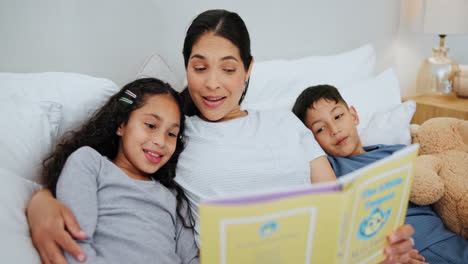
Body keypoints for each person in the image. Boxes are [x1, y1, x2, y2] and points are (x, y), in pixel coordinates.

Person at [26, 9, 415, 264]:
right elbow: (102, 164)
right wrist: (41, 201)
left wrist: (379, 250)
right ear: (186, 68)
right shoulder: (176, 134)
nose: (213, 84)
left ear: (248, 70)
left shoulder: (286, 124)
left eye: (228, 69)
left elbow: (336, 210)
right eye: (200, 67)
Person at [292, 84, 468, 264]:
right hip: (407, 253)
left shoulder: (397, 152)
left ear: (353, 115)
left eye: (338, 116)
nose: (334, 130)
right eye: (320, 129)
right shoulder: (331, 170)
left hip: (451, 242)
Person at [38, 78, 198, 264]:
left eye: (171, 134)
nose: (161, 141)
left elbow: (191, 259)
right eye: (151, 125)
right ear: (122, 125)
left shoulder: (175, 198)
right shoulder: (90, 163)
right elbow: (76, 238)